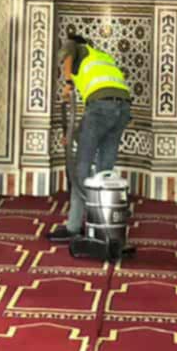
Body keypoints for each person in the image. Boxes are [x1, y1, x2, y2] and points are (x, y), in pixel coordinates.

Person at [47, 33, 133, 243]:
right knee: (104, 170)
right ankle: (102, 223)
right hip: (123, 107)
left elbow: (68, 53)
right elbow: (93, 121)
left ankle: (73, 227)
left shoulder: (76, 47)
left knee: (82, 169)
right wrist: (74, 135)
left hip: (101, 105)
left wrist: (68, 83)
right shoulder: (102, 56)